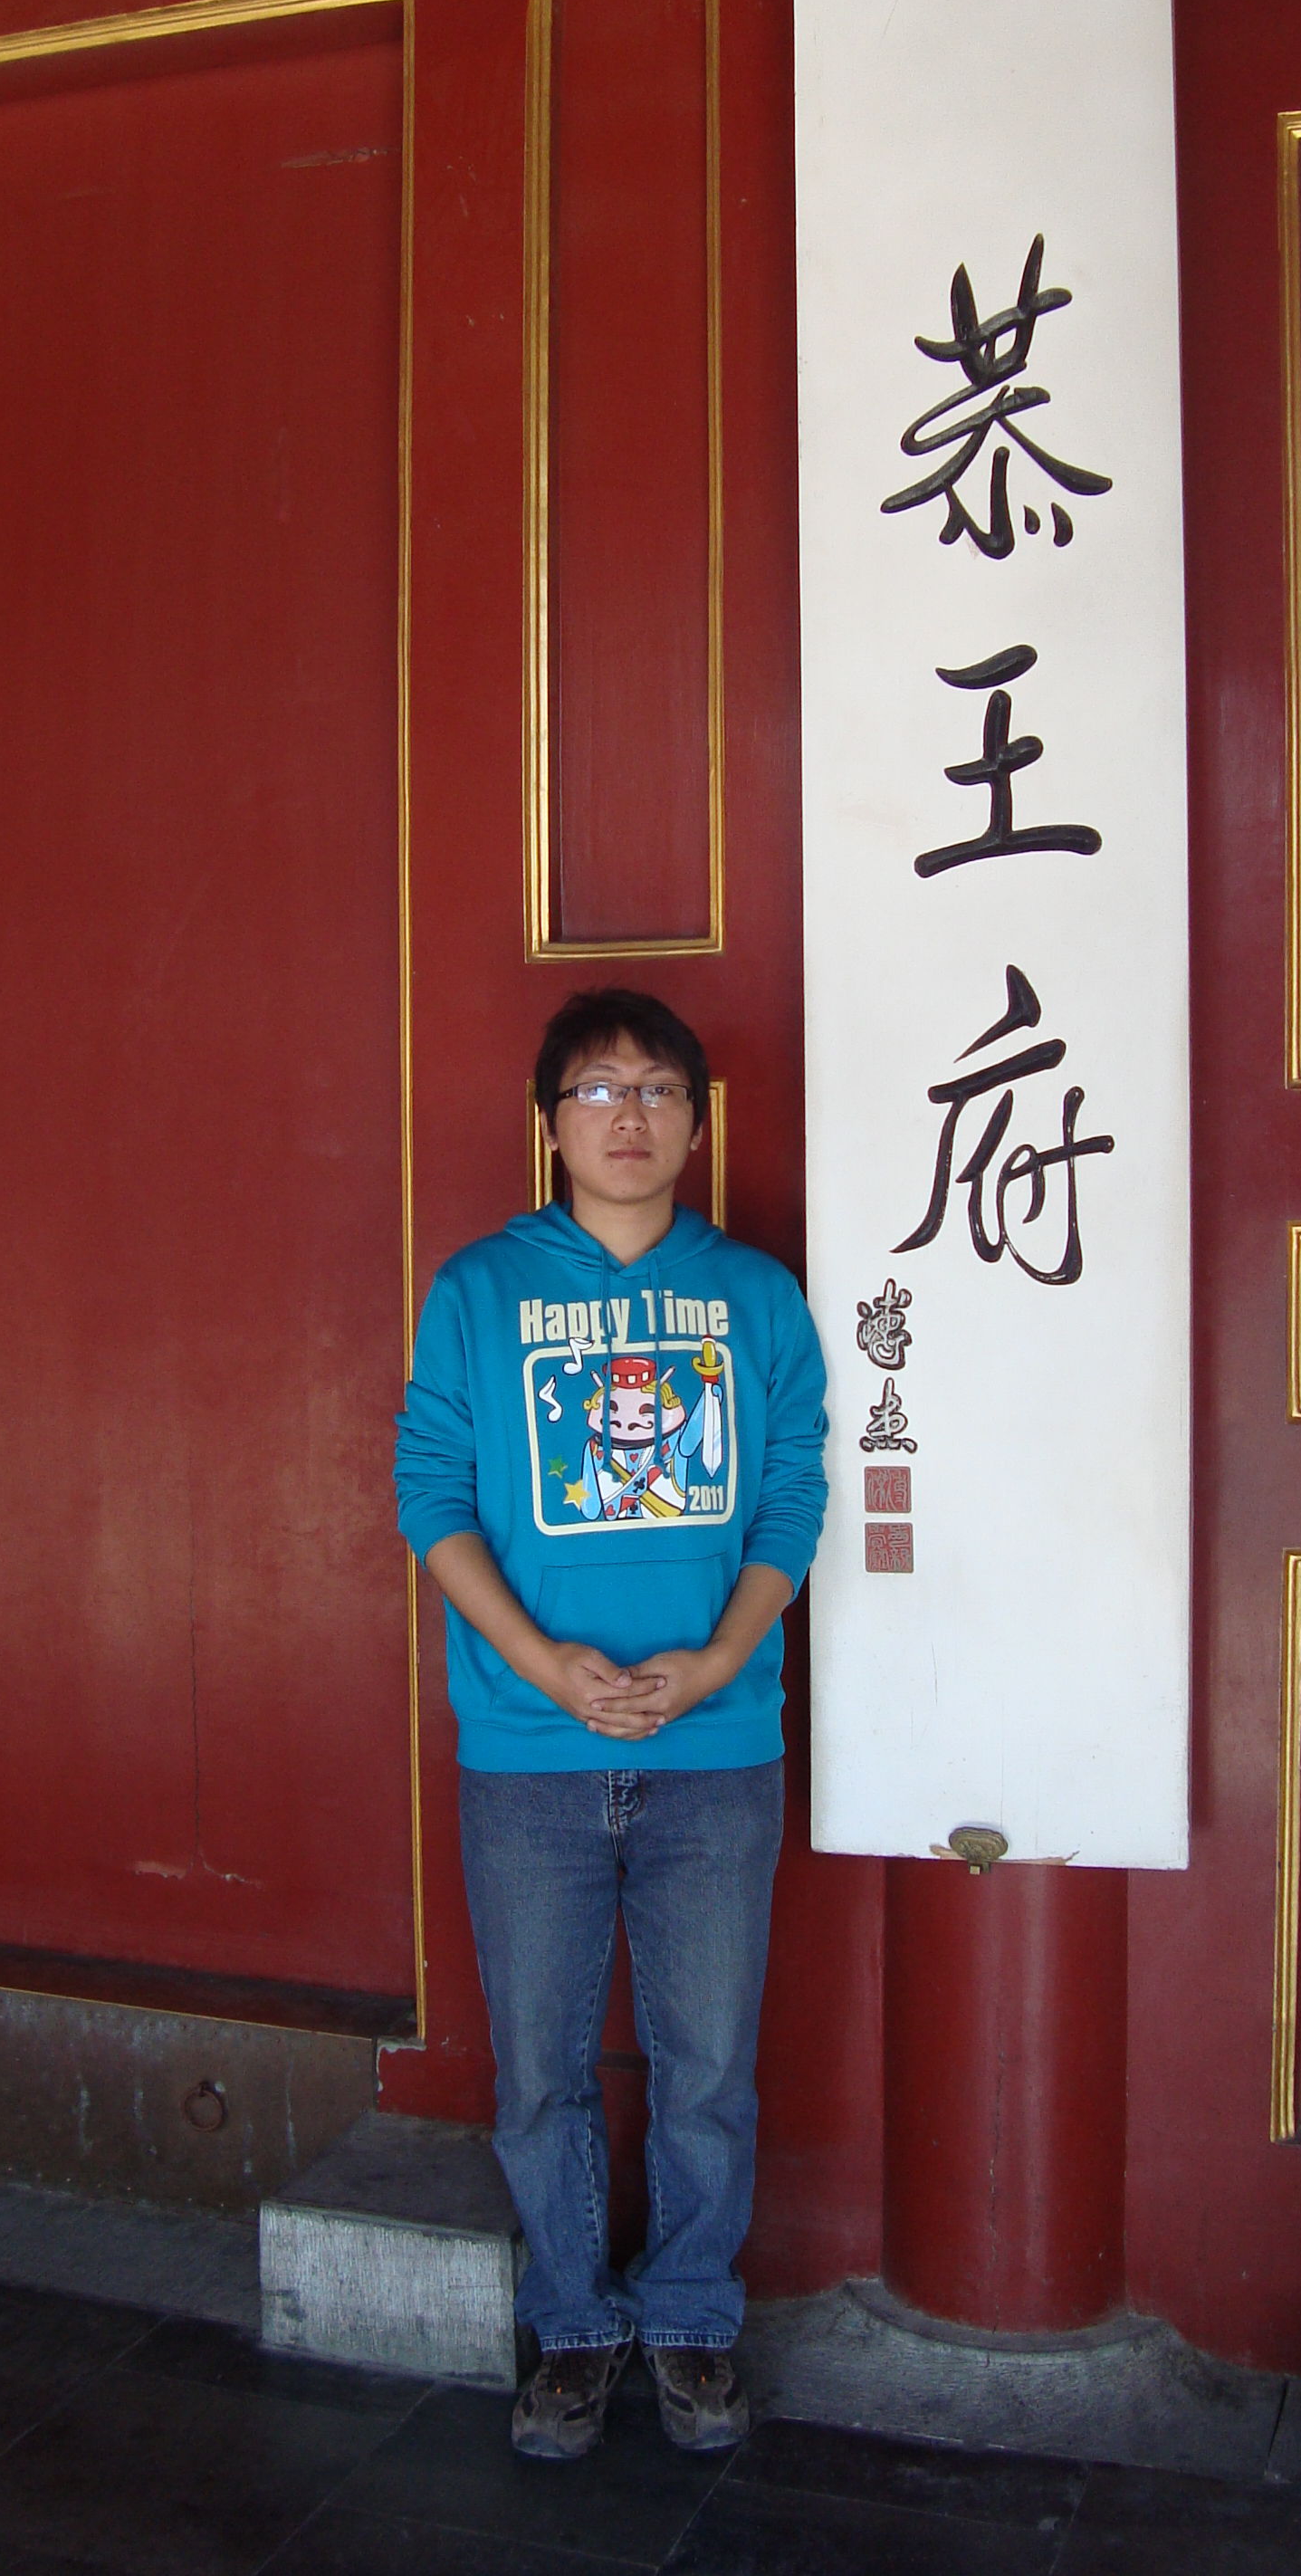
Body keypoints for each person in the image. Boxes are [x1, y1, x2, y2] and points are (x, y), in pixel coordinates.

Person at [394, 987, 827, 2461]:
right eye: (597, 1090)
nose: (627, 1116)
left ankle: (694, 2314)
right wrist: (538, 1665)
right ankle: (574, 2325)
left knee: (708, 2071)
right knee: (540, 2073)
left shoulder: (755, 1297)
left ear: (696, 1125)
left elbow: (792, 1496)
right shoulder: (479, 1291)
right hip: (530, 1755)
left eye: (655, 1090)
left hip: (716, 1752)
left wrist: (714, 1664)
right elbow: (431, 1497)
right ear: (551, 1124)